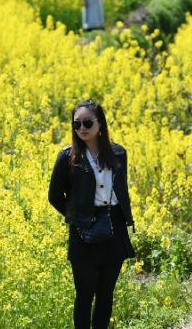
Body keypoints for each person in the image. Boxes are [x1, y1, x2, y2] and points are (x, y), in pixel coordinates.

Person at [49, 99, 135, 329]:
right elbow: (54, 196)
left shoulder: (118, 153)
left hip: (113, 224)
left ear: (100, 124)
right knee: (85, 294)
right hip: (82, 228)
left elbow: (120, 189)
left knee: (106, 294)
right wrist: (78, 216)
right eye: (77, 124)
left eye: (87, 122)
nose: (82, 128)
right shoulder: (67, 157)